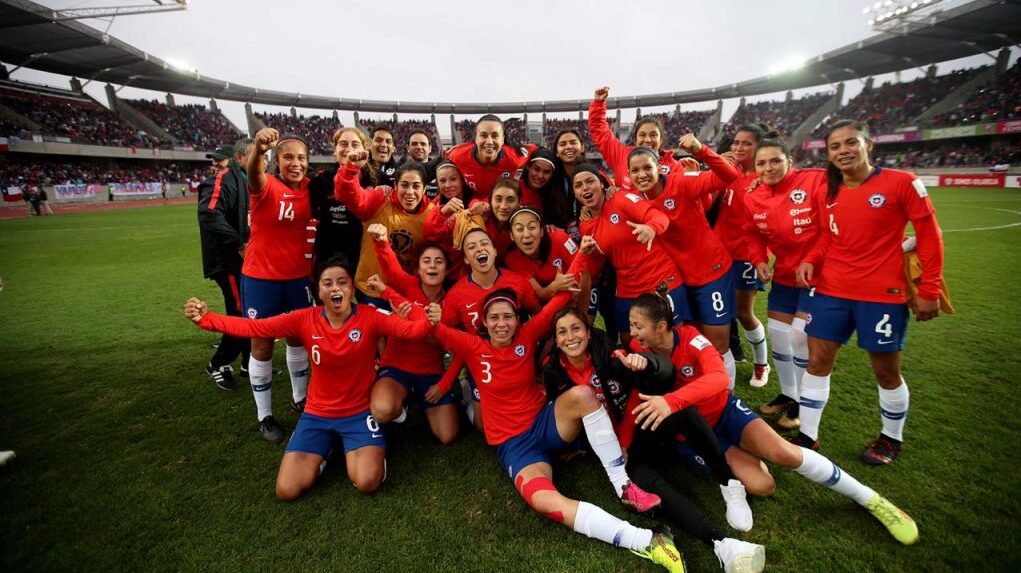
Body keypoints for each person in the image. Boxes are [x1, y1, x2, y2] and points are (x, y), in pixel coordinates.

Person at [424, 287, 686, 573]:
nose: (502, 323)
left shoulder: (527, 334)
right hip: (516, 447)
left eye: (508, 316)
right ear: (484, 322)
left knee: (584, 395)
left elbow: (560, 302)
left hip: (545, 422)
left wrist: (578, 264)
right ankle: (648, 540)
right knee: (544, 502)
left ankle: (623, 484)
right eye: (495, 318)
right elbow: (431, 327)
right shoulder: (472, 345)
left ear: (517, 320)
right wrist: (418, 309)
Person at [627, 291, 920, 546]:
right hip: (695, 438)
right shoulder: (640, 352)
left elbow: (719, 378)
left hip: (726, 413)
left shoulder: (692, 339)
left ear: (661, 326)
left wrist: (671, 401)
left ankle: (870, 499)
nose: (633, 332)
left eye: (638, 326)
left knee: (784, 452)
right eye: (631, 325)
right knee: (762, 486)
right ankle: (742, 462)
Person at [184, 254, 432, 500]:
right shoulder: (304, 319)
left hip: (359, 413)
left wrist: (419, 312)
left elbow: (416, 331)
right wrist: (207, 319)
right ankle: (329, 449)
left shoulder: (370, 315)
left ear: (352, 289)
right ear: (319, 292)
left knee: (367, 482)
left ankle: (364, 445)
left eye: (343, 282)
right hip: (317, 414)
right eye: (328, 283)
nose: (336, 287)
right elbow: (256, 327)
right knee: (287, 490)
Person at [542, 307, 766, 573]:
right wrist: (579, 449)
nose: (570, 337)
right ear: (555, 340)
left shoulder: (613, 355)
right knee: (653, 489)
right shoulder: (553, 372)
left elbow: (665, 372)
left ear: (589, 333)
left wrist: (646, 363)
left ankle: (728, 483)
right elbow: (558, 417)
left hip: (641, 427)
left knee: (683, 411)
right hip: (620, 456)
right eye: (562, 332)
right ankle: (722, 543)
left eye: (576, 328)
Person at [795, 120, 945, 464]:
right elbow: (825, 236)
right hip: (831, 290)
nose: (843, 151)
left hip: (882, 294)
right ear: (828, 153)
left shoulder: (902, 183)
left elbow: (930, 236)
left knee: (886, 371)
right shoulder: (826, 191)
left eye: (851, 143)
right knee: (817, 362)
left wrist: (930, 288)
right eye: (835, 146)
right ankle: (808, 436)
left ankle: (891, 439)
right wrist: (809, 260)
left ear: (869, 145)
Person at [626, 137, 743, 387]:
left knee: (718, 343)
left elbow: (728, 174)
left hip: (711, 272)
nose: (642, 174)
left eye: (647, 167)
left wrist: (701, 150)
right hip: (680, 280)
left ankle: (726, 398)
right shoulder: (635, 200)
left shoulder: (682, 182)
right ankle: (702, 389)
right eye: (635, 170)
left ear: (659, 167)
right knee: (694, 340)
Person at [744, 134, 827, 431]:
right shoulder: (753, 194)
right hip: (784, 276)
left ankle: (804, 404)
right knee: (779, 336)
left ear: (790, 161)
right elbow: (752, 233)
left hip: (819, 275)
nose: (769, 168)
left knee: (799, 338)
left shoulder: (816, 181)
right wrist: (759, 260)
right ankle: (789, 395)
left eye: (776, 161)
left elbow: (830, 228)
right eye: (761, 163)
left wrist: (813, 259)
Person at [241, 128, 315, 443]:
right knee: (262, 345)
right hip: (261, 280)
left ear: (308, 162)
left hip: (298, 278)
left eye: (301, 158)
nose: (295, 163)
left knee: (297, 339)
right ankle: (265, 415)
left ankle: (300, 399)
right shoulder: (266, 186)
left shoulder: (311, 189)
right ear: (277, 161)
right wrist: (259, 149)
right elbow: (254, 172)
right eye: (288, 157)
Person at [438, 227, 546, 430]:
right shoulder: (455, 295)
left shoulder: (517, 282)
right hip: (482, 364)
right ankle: (469, 390)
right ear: (467, 259)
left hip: (518, 358)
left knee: (532, 413)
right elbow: (446, 336)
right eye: (471, 247)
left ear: (495, 251)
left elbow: (538, 316)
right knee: (483, 427)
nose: (479, 248)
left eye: (484, 243)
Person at [362, 223, 459, 444]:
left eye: (439, 261)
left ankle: (416, 397)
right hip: (396, 366)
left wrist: (443, 385)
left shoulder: (452, 302)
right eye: (427, 261)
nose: (432, 266)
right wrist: (381, 242)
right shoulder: (408, 284)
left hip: (430, 373)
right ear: (417, 268)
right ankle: (400, 405)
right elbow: (392, 268)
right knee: (383, 410)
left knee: (448, 435)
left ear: (447, 269)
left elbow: (460, 349)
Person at [572, 163, 685, 343]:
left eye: (590, 181)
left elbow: (659, 217)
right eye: (578, 186)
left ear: (602, 184)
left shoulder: (621, 199)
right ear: (575, 194)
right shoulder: (585, 224)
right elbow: (596, 262)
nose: (585, 188)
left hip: (659, 279)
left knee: (670, 339)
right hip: (627, 288)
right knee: (629, 342)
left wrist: (651, 228)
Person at [333, 149, 439, 305]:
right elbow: (348, 195)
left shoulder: (432, 214)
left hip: (405, 294)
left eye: (416, 186)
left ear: (424, 189)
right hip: (371, 290)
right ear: (395, 185)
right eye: (404, 185)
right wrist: (350, 169)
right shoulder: (380, 199)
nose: (410, 192)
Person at [714, 124, 772, 387]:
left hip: (747, 254)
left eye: (745, 144)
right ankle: (720, 362)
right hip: (718, 251)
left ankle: (762, 364)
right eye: (735, 143)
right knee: (721, 311)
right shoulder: (728, 170)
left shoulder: (764, 177)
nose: (738, 148)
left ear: (758, 146)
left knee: (743, 312)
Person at [197, 139, 253, 390]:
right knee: (240, 313)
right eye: (257, 154)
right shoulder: (225, 178)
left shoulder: (246, 180)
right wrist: (239, 244)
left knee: (248, 311)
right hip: (229, 261)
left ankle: (249, 362)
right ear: (240, 157)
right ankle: (219, 363)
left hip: (242, 261)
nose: (264, 158)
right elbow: (209, 214)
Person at [588, 86, 685, 193]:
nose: (647, 140)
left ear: (661, 140)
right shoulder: (622, 155)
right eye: (642, 135)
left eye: (653, 135)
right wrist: (598, 103)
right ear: (635, 139)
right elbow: (600, 131)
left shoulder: (675, 167)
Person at [309, 127, 369, 272]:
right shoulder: (320, 181)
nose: (349, 149)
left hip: (364, 262)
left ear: (364, 149)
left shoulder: (375, 180)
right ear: (334, 149)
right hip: (327, 263)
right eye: (343, 144)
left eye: (355, 144)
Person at [504, 207, 586, 304]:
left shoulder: (559, 237)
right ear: (512, 236)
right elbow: (539, 294)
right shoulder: (512, 258)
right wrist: (555, 286)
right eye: (519, 229)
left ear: (542, 231)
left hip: (575, 289)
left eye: (532, 227)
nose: (526, 234)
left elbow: (583, 271)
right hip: (547, 302)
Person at [447, 114, 532, 202]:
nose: (489, 142)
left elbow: (535, 150)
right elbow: (440, 159)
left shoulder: (514, 157)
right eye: (483, 135)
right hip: (469, 204)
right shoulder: (458, 155)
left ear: (502, 139)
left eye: (495, 136)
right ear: (476, 138)